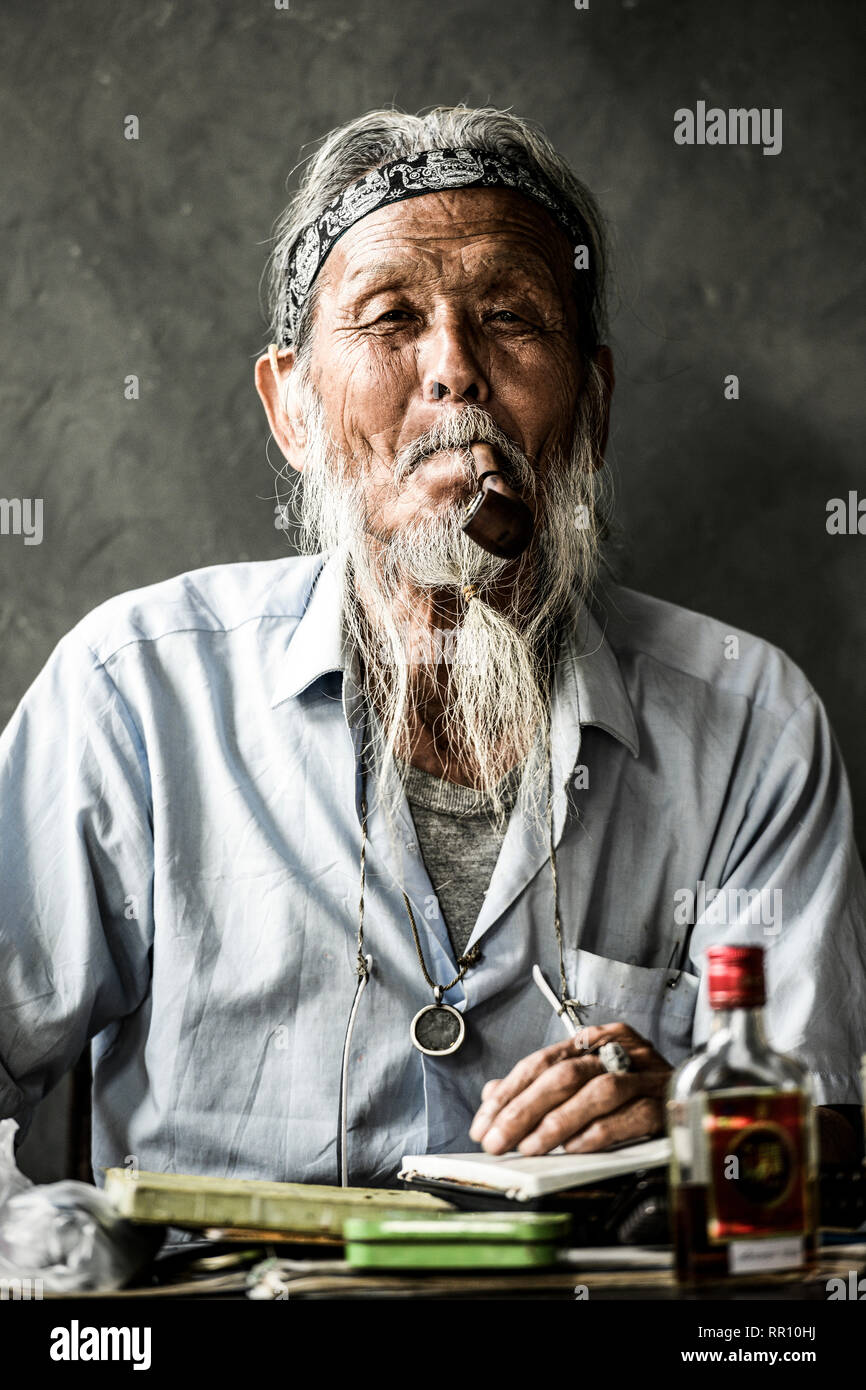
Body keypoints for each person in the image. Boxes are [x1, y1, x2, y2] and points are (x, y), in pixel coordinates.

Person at [1, 107, 863, 1189]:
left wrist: (696, 1116)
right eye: (387, 317)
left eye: (510, 316)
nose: (453, 369)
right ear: (294, 411)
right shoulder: (132, 692)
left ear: (591, 403)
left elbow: (827, 1137)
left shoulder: (744, 722)